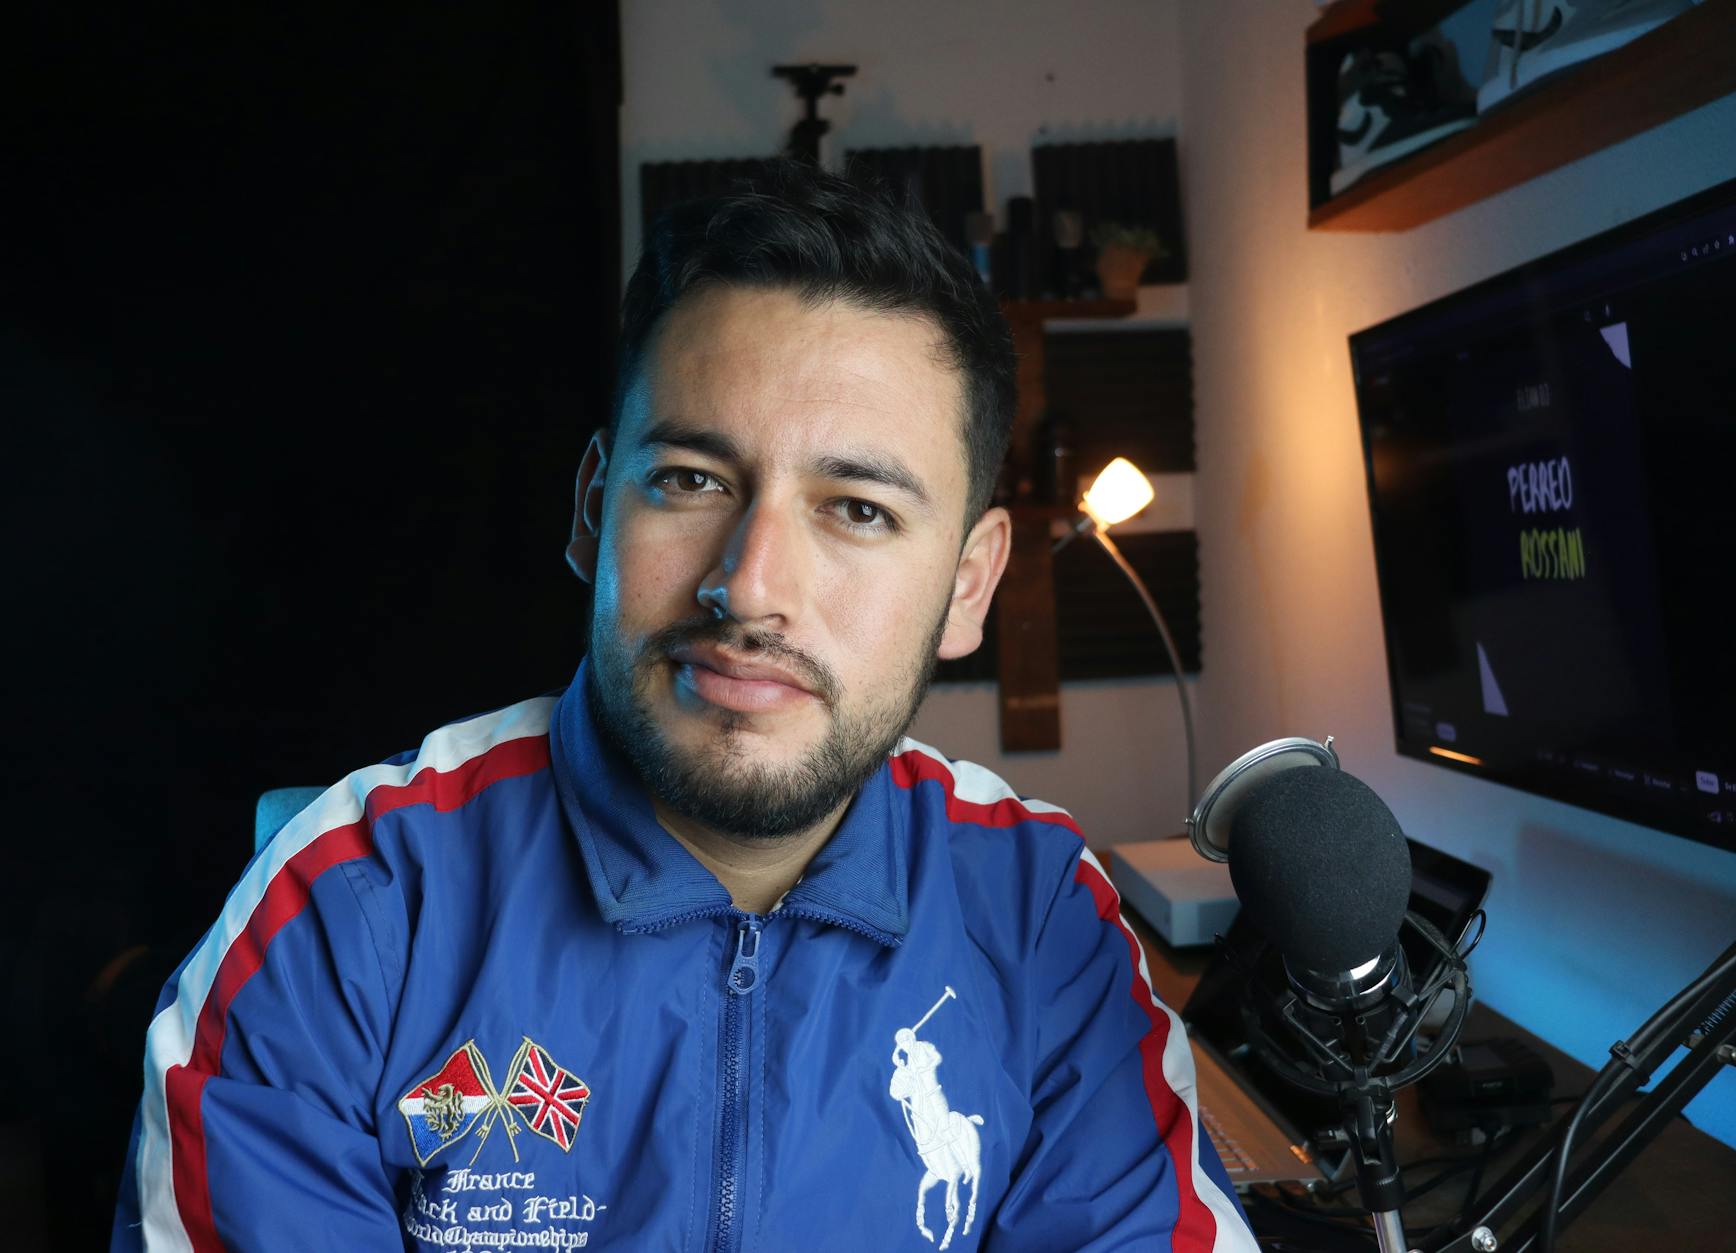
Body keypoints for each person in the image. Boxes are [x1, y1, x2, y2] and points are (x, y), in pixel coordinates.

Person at [113, 160, 1256, 1251]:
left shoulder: (1043, 917)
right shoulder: (344, 908)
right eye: (691, 481)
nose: (749, 586)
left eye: (855, 508)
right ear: (589, 511)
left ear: (967, 584)